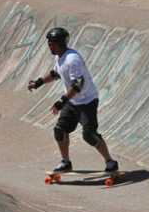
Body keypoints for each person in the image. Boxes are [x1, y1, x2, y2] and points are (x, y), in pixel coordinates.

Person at [28, 27, 118, 173]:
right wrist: (38, 83)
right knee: (59, 130)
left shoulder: (72, 59)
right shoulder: (59, 57)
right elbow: (55, 74)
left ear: (61, 43)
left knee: (89, 135)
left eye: (52, 43)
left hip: (87, 101)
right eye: (49, 43)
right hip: (72, 102)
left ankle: (110, 161)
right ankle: (66, 162)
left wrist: (61, 101)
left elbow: (78, 85)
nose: (50, 46)